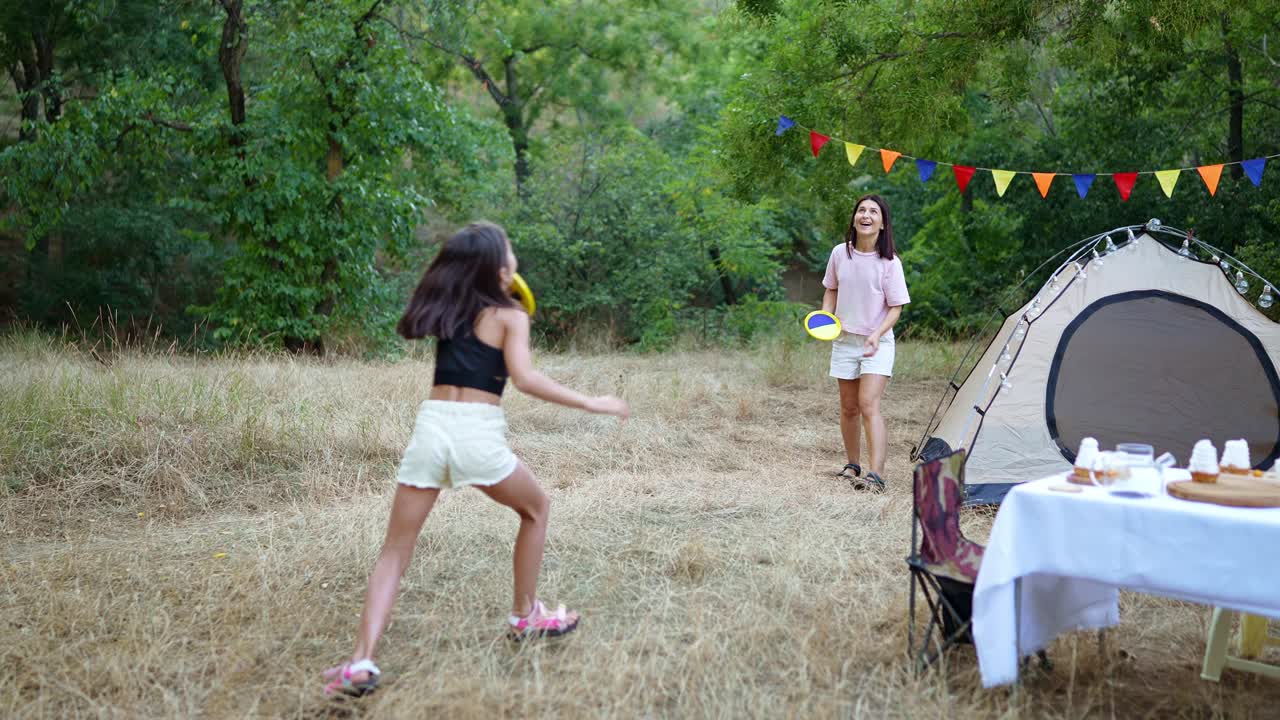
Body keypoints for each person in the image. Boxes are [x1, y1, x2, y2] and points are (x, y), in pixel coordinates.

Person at [323, 221, 631, 696]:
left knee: (394, 551)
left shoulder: (449, 309)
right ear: (497, 267)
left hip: (431, 428)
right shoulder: (509, 315)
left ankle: (360, 662)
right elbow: (525, 379)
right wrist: (594, 402)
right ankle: (526, 615)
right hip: (475, 433)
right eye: (510, 253)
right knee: (536, 508)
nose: (515, 262)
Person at [820, 194, 910, 492]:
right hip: (844, 341)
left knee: (868, 404)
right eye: (861, 210)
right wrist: (825, 317)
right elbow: (831, 289)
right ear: (855, 219)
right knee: (848, 408)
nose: (866, 215)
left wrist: (876, 334)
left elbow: (896, 307)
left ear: (883, 224)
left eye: (873, 211)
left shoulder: (890, 263)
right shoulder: (839, 254)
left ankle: (877, 475)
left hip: (878, 341)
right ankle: (852, 465)